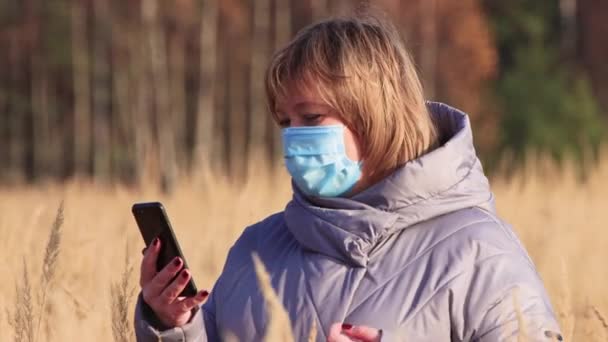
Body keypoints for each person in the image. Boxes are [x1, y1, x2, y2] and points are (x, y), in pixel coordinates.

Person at [134, 15, 562, 342]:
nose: (294, 137)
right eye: (286, 121)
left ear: (374, 114)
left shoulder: (478, 253)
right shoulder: (256, 250)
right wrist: (173, 324)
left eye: (312, 117)